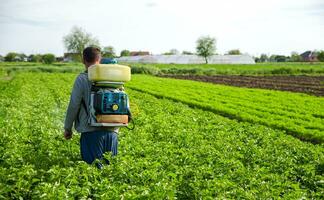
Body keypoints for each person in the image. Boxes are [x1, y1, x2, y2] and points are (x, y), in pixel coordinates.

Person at [64, 47, 118, 168]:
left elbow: (74, 105)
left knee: (93, 172)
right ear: (100, 59)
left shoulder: (82, 78)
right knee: (111, 172)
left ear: (83, 60)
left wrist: (68, 128)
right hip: (112, 131)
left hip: (91, 132)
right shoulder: (113, 77)